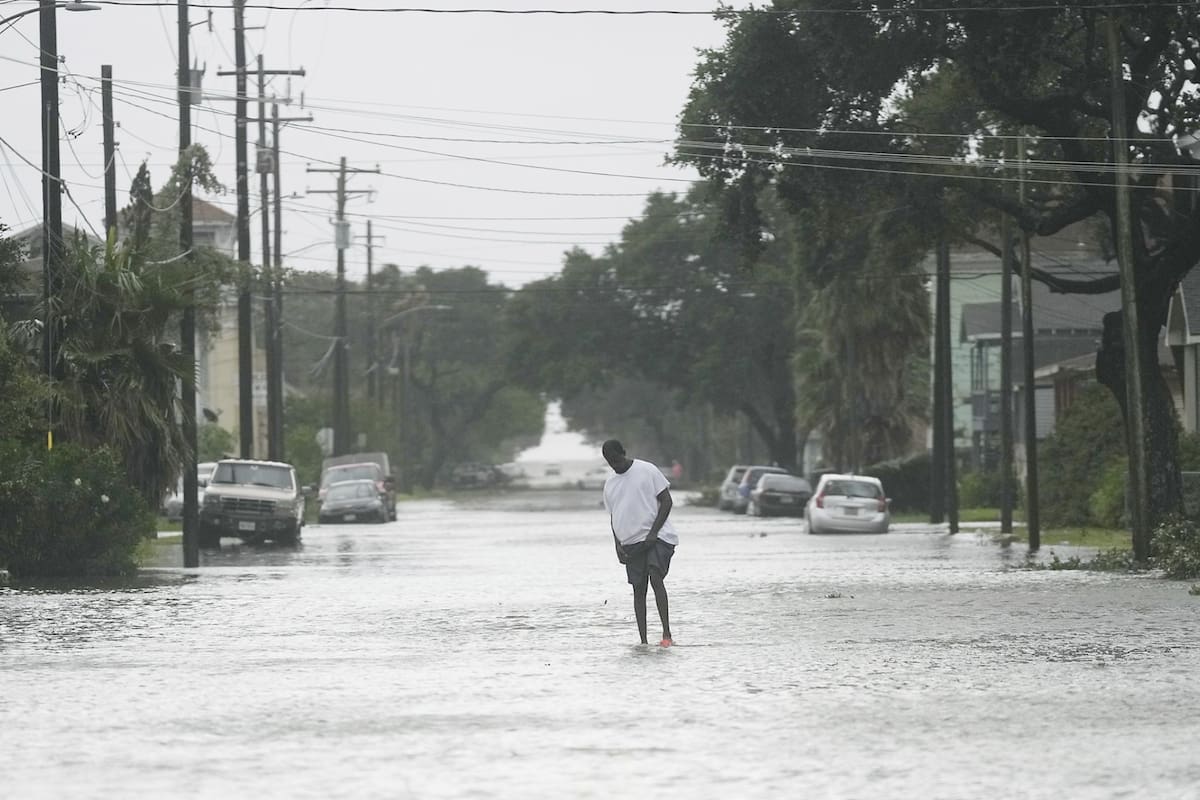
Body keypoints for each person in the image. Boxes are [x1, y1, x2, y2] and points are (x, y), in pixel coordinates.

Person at [601, 439, 678, 647]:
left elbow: (667, 501)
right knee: (638, 589)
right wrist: (617, 545)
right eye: (610, 462)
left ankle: (667, 634)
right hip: (630, 543)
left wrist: (654, 532)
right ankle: (643, 641)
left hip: (658, 537)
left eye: (616, 459)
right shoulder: (610, 484)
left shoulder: (647, 470)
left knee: (655, 576)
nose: (614, 465)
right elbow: (613, 516)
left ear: (623, 453)